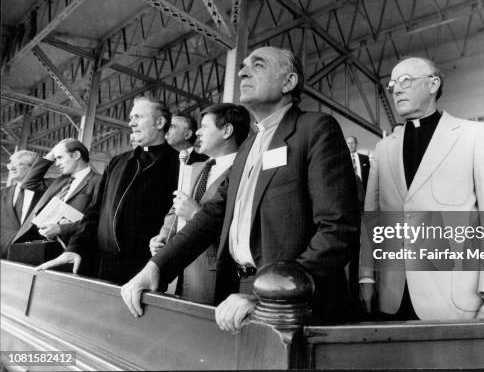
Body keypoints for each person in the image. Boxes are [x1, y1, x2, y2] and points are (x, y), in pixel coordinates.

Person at [121, 46, 360, 332]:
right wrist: (157, 267)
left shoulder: (316, 129)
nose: (243, 71)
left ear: (289, 82)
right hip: (237, 290)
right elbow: (211, 215)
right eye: (243, 65)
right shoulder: (248, 147)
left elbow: (338, 229)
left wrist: (269, 295)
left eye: (258, 65)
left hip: (292, 301)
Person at [360, 56, 484, 320]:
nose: (396, 89)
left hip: (458, 297)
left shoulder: (475, 136)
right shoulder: (384, 148)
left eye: (406, 80)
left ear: (433, 84)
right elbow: (372, 219)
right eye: (392, 84)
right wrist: (366, 278)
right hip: (394, 296)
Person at [38, 96, 179, 283]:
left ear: (160, 122)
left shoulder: (179, 164)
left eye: (138, 117)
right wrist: (74, 248)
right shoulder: (118, 162)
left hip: (147, 269)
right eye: (130, 118)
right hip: (103, 264)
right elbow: (94, 212)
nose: (131, 123)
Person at [150, 103, 250, 303]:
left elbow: (242, 225)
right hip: (179, 267)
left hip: (212, 273)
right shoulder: (195, 167)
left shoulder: (245, 171)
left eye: (205, 127)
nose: (198, 132)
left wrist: (196, 215)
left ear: (227, 131)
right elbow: (176, 207)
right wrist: (162, 237)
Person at [10, 139, 102, 267]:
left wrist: (61, 229)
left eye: (59, 158)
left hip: (70, 251)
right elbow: (29, 183)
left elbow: (100, 220)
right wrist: (51, 154)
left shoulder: (99, 181)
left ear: (76, 155)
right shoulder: (59, 181)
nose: (56, 163)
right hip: (40, 245)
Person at [1, 150, 39, 258]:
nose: (11, 168)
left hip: (33, 255)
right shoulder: (2, 193)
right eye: (10, 164)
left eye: (18, 164)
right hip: (3, 253)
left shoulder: (45, 191)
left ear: (33, 167)